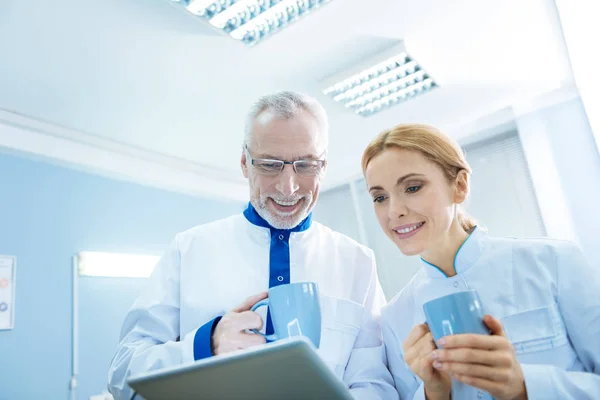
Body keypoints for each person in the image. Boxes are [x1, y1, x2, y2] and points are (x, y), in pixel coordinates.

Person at [107, 91, 396, 399]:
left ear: (324, 167)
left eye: (306, 165)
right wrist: (207, 344)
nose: (289, 187)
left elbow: (375, 384)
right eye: (270, 165)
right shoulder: (188, 249)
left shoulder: (357, 262)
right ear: (245, 163)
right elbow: (123, 373)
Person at [361, 123, 600, 400]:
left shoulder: (554, 264)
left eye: (413, 187)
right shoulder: (394, 317)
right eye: (380, 197)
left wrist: (525, 386)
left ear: (459, 186)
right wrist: (434, 394)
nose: (394, 211)